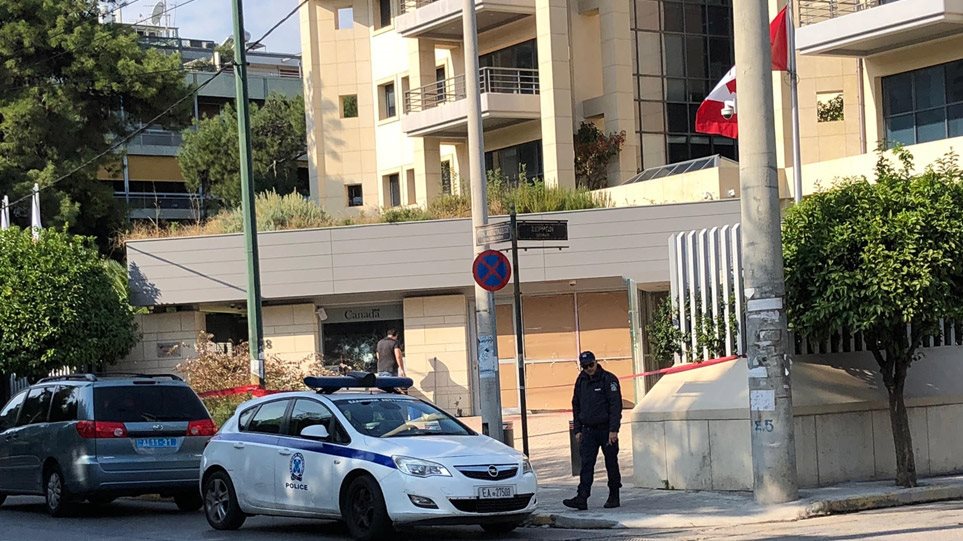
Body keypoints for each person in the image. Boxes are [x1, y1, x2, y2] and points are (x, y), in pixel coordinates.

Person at [563, 350, 622, 511]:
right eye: (585, 366)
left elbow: (615, 406)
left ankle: (614, 495)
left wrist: (613, 430)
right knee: (586, 465)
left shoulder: (608, 379)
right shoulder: (581, 380)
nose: (589, 368)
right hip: (588, 430)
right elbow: (576, 404)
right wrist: (577, 429)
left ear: (596, 362)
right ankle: (582, 498)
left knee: (611, 463)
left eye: (591, 365)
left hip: (606, 429)